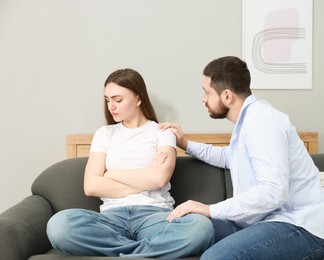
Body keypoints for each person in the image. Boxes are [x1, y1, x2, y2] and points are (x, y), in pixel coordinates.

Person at [160, 56, 324, 259]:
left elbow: (274, 192)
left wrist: (210, 209)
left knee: (215, 258)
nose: (203, 99)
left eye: (207, 92)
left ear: (227, 96)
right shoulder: (248, 120)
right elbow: (228, 157)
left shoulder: (261, 123)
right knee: (189, 226)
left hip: (304, 226)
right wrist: (185, 143)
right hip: (266, 222)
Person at [46, 68, 214, 259]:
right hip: (111, 218)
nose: (111, 106)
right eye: (108, 100)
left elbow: (159, 179)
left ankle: (125, 255)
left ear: (138, 98)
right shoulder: (104, 134)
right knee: (58, 226)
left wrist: (110, 175)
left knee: (201, 228)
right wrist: (147, 175)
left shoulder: (162, 132)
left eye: (118, 100)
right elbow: (91, 186)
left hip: (155, 216)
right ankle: (142, 254)